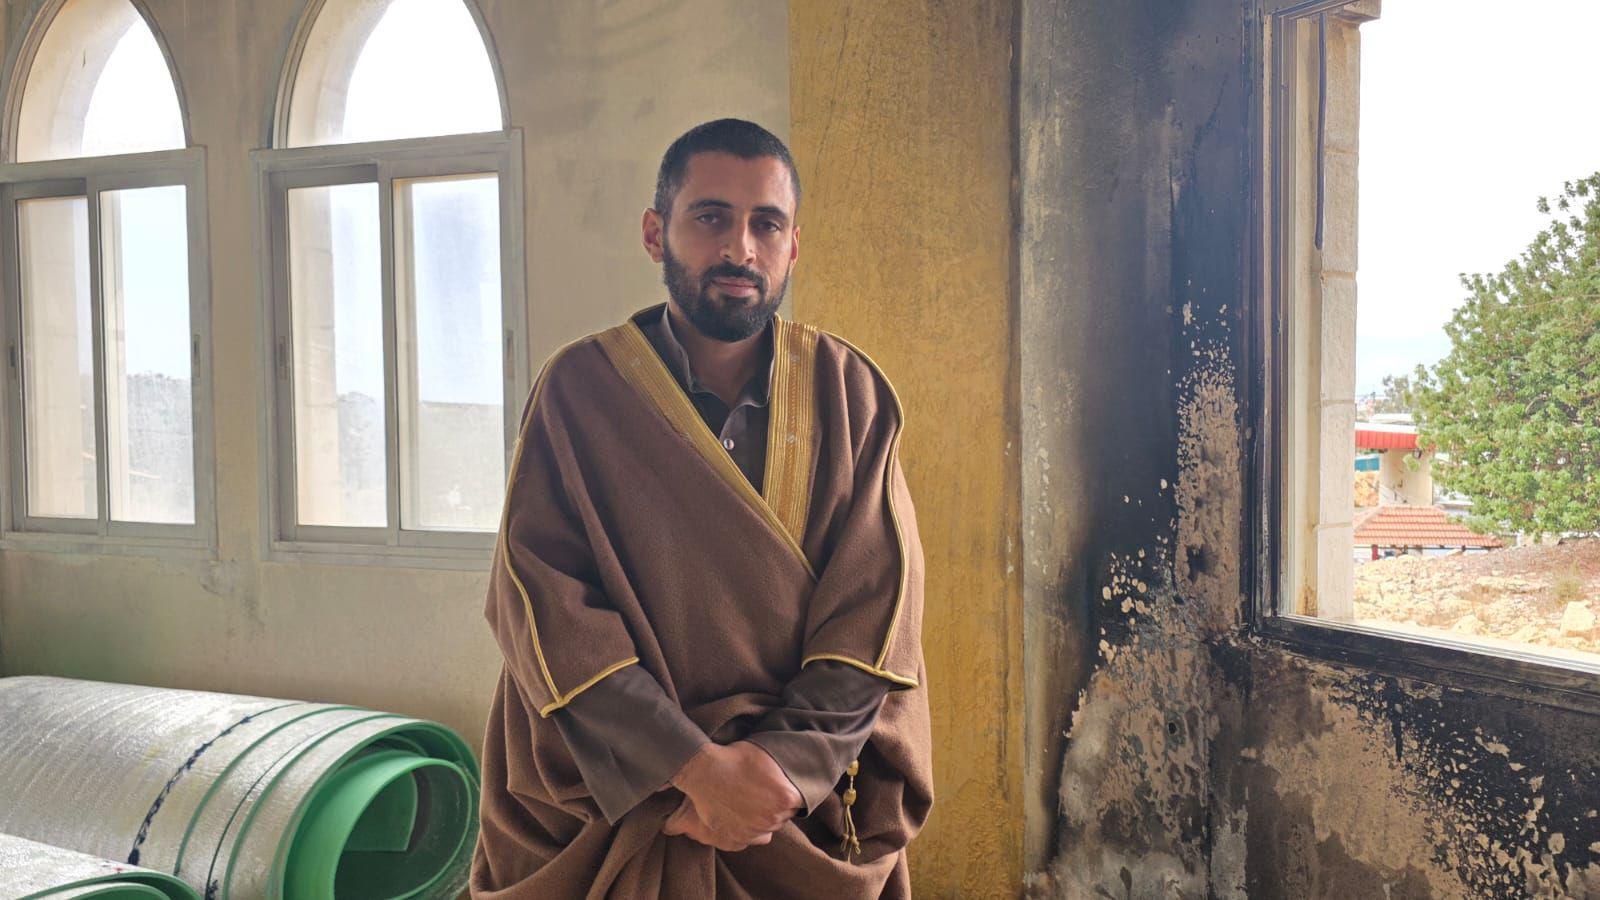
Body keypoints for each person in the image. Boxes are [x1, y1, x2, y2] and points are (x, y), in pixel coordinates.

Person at [470, 118, 932, 898]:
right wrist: (689, 768)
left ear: (794, 245)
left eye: (766, 224)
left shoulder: (850, 393)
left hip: (792, 809)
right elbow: (541, 603)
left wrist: (775, 772)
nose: (740, 248)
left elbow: (876, 617)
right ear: (657, 233)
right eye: (710, 217)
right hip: (616, 791)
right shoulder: (579, 390)